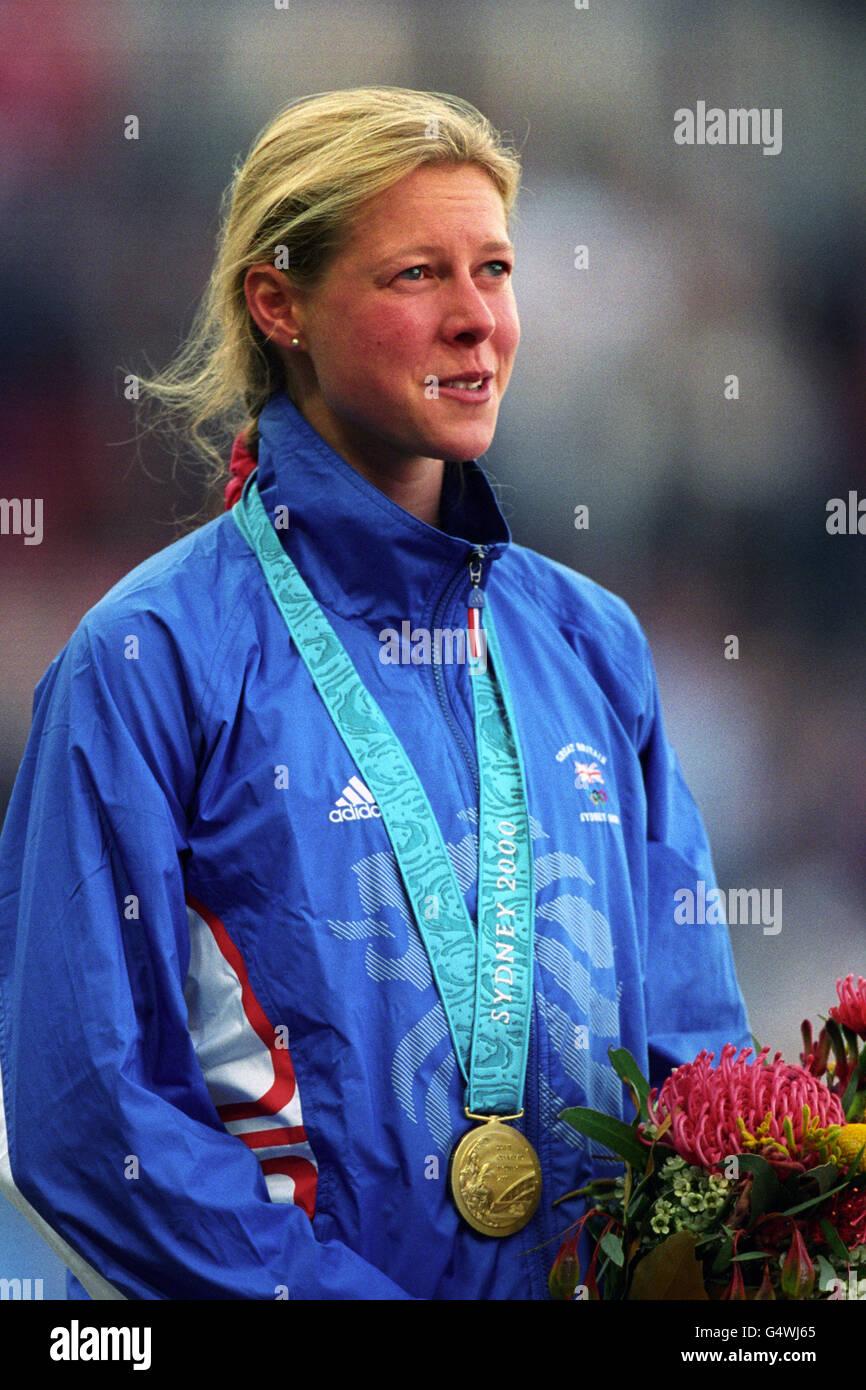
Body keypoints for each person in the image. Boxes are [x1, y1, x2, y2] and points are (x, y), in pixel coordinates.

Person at [0, 86, 749, 1301]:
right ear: (278, 301)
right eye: (415, 276)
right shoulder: (145, 661)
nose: (475, 322)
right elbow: (90, 1119)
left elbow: (693, 1061)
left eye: (494, 269)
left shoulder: (590, 645)